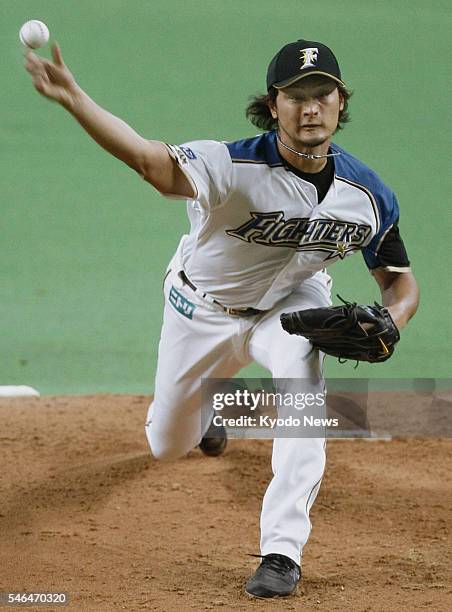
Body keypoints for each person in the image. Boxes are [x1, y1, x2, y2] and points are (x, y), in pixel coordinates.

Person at [25, 38, 419, 599]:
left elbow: (399, 281)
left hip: (290, 307)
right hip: (200, 311)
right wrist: (75, 98)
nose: (310, 108)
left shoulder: (368, 194)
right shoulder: (229, 164)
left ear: (339, 101)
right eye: (296, 96)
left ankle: (283, 550)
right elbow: (150, 162)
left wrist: (395, 319)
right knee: (167, 444)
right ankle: (209, 414)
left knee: (303, 377)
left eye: (322, 94)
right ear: (273, 105)